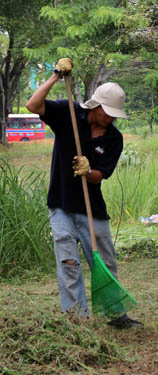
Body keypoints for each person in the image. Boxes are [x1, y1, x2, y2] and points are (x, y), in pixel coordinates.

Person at [26, 58, 142, 328]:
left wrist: (88, 172)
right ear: (96, 105)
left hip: (92, 209)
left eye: (115, 113)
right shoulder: (68, 113)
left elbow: (101, 175)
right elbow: (33, 105)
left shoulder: (114, 139)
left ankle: (115, 315)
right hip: (61, 204)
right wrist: (56, 75)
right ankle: (76, 319)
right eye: (108, 112)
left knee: (105, 262)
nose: (111, 117)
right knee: (68, 263)